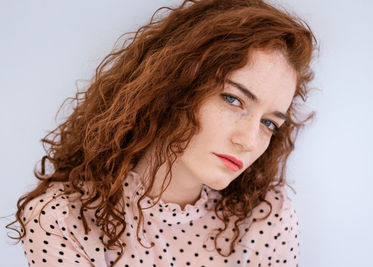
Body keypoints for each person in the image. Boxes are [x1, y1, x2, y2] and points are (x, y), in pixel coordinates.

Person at [6, 0, 317, 266]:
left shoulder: (265, 217)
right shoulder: (63, 219)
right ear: (172, 87)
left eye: (269, 123)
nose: (248, 141)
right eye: (233, 99)